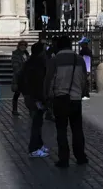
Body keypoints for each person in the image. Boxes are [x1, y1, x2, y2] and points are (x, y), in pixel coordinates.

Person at [48, 34, 89, 167]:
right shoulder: (79, 60)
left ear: (58, 46)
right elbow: (84, 79)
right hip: (76, 99)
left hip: (60, 99)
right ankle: (80, 156)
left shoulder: (54, 60)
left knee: (61, 130)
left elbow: (49, 80)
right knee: (77, 129)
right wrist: (81, 92)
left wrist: (48, 97)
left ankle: (64, 158)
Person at [17, 40, 50, 157]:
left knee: (38, 122)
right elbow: (38, 84)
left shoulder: (29, 63)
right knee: (36, 123)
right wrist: (41, 99)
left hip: (30, 96)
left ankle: (39, 144)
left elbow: (21, 80)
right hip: (35, 98)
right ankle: (33, 148)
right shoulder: (37, 65)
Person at [9, 39, 30, 114]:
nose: (23, 46)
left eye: (24, 45)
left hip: (26, 76)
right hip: (19, 76)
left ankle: (30, 109)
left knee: (27, 94)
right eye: (21, 45)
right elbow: (15, 66)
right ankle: (14, 109)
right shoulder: (16, 54)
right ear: (18, 46)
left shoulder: (26, 54)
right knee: (17, 93)